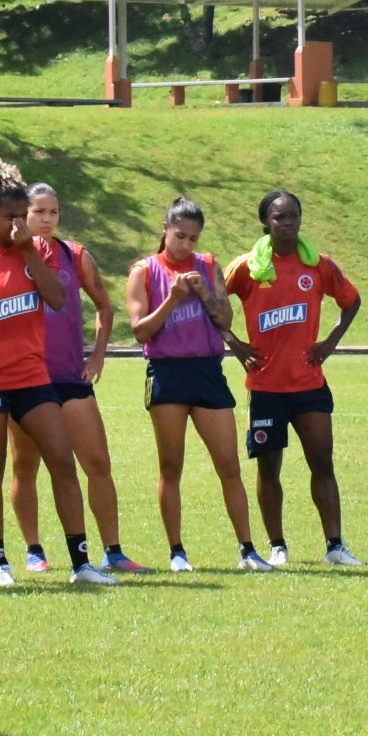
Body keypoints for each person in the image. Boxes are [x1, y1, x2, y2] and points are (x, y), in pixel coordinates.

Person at [0, 157, 114, 588]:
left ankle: (81, 563)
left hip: (32, 376)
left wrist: (25, 251)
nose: (19, 223)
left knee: (62, 461)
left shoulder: (38, 251)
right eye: (10, 217)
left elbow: (57, 297)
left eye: (24, 215)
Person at [225, 190, 363, 566]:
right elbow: (212, 304)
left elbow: (352, 300)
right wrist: (234, 342)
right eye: (279, 217)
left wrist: (330, 342)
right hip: (266, 387)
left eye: (293, 216)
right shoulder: (248, 267)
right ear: (266, 222)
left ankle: (335, 546)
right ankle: (277, 545)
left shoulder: (318, 265)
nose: (287, 223)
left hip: (309, 385)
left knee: (323, 462)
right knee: (269, 469)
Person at [9, 185, 142, 575]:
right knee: (25, 467)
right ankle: (34, 550)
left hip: (70, 378)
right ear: (22, 215)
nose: (47, 219)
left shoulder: (75, 255)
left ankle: (113, 552)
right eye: (39, 211)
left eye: (54, 211)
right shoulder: (8, 257)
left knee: (97, 463)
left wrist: (98, 354)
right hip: (26, 380)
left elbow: (104, 305)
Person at [128, 197, 265, 573]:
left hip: (207, 372)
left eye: (193, 238)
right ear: (165, 230)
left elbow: (224, 315)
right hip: (167, 373)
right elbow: (140, 330)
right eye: (179, 236)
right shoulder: (145, 270)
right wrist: (172, 299)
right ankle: (177, 552)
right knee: (171, 467)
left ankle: (248, 550)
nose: (186, 245)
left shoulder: (207, 265)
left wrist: (204, 292)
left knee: (230, 465)